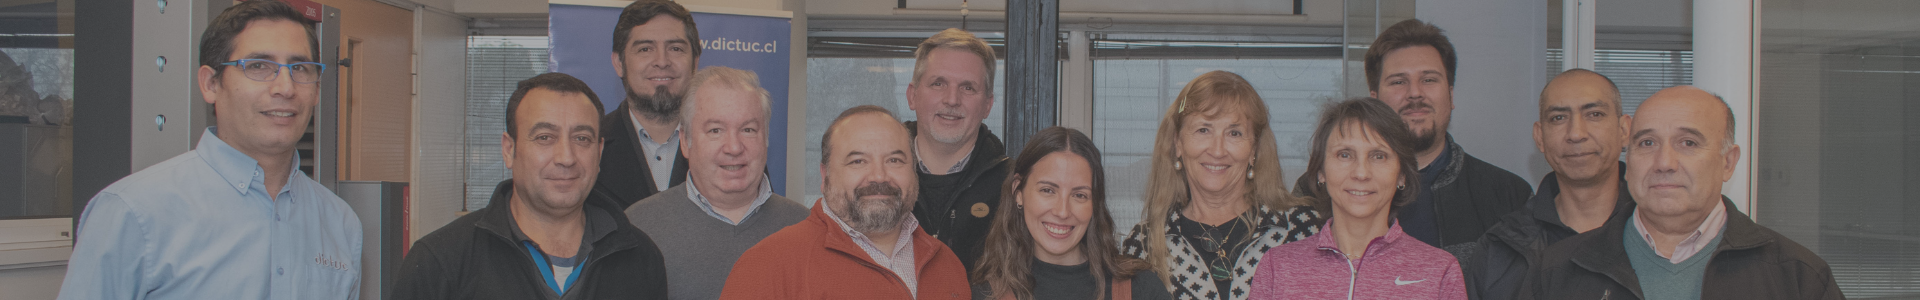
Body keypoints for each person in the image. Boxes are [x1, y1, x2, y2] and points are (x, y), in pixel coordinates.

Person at [58, 1, 362, 299]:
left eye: (300, 68)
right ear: (210, 84)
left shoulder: (339, 222)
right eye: (258, 66)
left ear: (317, 90)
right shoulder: (133, 214)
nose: (285, 87)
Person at [1523, 86, 1843, 300]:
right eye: (1647, 143)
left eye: (1687, 143)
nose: (1664, 163)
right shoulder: (1559, 268)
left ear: (1728, 162)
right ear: (1629, 158)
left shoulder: (1797, 277)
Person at [388, 73, 668, 299]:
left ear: (599, 152)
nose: (566, 158)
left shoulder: (640, 257)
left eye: (582, 138)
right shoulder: (440, 261)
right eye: (545, 137)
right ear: (509, 150)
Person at [719, 105, 970, 299]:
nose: (879, 176)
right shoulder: (767, 266)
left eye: (895, 160)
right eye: (858, 161)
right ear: (825, 175)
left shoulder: (947, 266)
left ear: (913, 173)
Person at [1120, 70, 1323, 300]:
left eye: (1234, 133)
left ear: (1254, 150)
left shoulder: (1302, 230)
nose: (1217, 150)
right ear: (1178, 143)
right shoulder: (1144, 245)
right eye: (1203, 130)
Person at [1248, 98, 1466, 300]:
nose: (1361, 173)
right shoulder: (1278, 267)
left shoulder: (1440, 272)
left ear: (1401, 174)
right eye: (1345, 155)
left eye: (1378, 156)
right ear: (1320, 171)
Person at [625, 67, 809, 300]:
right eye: (715, 130)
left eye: (748, 130)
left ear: (766, 139)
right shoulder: (637, 226)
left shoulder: (804, 226)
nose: (733, 147)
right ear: (685, 141)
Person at [1461, 69, 1636, 300]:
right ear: (1540, 137)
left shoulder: (1658, 233)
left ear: (1624, 130)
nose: (1576, 133)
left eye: (1594, 114)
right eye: (1558, 118)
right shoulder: (1500, 248)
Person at [1361, 19, 1532, 248]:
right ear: (1375, 100)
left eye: (1429, 80)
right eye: (1399, 81)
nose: (1414, 93)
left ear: (1451, 96)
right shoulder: (1331, 191)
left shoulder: (1510, 196)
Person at [971, 127, 1173, 300]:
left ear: (1095, 203)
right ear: (1018, 192)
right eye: (1048, 190)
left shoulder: (1141, 289)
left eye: (1079, 195)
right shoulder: (986, 294)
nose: (1062, 211)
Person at [904, 28, 1011, 272]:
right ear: (913, 96)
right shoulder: (877, 178)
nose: (952, 99)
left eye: (968, 88)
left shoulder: (1014, 187)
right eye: (938, 83)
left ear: (987, 105)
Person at [597, 0, 698, 208]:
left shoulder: (730, 149)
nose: (662, 61)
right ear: (619, 63)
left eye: (676, 48)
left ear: (695, 63)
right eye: (645, 49)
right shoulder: (589, 146)